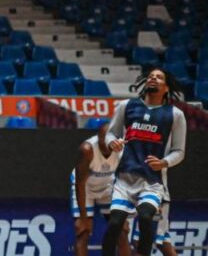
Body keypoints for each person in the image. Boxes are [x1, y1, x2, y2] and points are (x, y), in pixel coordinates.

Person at [102, 68, 187, 256]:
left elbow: (179, 151)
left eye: (159, 77)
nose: (153, 78)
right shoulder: (127, 106)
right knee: (115, 223)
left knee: (146, 217)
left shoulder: (175, 114)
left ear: (166, 87)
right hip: (125, 178)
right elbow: (111, 132)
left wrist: (164, 162)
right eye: (150, 76)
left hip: (152, 181)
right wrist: (111, 142)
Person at [72, 123, 130, 256]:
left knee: (122, 232)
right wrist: (83, 217)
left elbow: (126, 181)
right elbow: (80, 182)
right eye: (102, 139)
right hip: (85, 188)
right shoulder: (87, 149)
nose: (106, 143)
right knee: (83, 232)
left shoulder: (123, 151)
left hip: (108, 187)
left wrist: (125, 214)